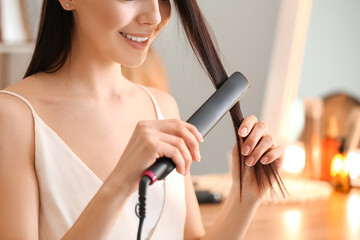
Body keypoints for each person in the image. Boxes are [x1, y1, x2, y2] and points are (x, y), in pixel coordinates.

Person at [0, 0, 284, 239]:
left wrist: (245, 199)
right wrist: (120, 182)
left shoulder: (161, 106)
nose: (155, 16)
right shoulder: (13, 118)